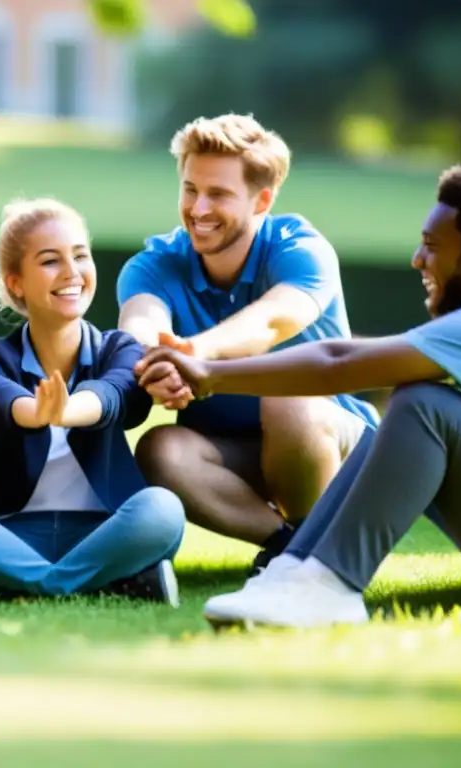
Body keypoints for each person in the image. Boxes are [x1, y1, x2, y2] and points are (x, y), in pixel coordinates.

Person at [136, 162, 461, 629]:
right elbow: (339, 355)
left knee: (424, 403)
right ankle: (297, 568)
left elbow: (337, 362)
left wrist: (210, 373)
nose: (417, 259)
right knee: (415, 410)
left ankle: (327, 586)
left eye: (431, 247)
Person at [116, 112, 379, 571]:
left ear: (261, 201)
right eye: (191, 190)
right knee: (160, 450)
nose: (198, 210)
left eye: (218, 195)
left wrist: (195, 355)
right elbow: (139, 323)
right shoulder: (154, 263)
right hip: (235, 455)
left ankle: (313, 550)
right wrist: (155, 364)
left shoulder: (302, 250)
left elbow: (271, 324)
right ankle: (292, 549)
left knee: (287, 397)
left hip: (336, 447)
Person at [0, 198, 186, 605]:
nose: (72, 272)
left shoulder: (121, 349)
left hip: (105, 530)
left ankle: (6, 582)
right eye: (50, 261)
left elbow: (114, 396)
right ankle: (97, 581)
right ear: (15, 283)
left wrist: (67, 411)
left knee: (163, 509)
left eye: (80, 256)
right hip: (8, 531)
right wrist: (36, 412)